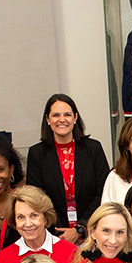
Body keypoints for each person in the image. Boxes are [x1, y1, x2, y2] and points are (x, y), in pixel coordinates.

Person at [26, 93, 111, 244]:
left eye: (67, 114)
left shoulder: (93, 148)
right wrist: (61, 231)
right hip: (54, 235)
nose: (62, 119)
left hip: (93, 233)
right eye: (55, 115)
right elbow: (37, 198)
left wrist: (80, 228)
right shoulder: (36, 153)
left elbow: (103, 192)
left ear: (75, 118)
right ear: (47, 119)